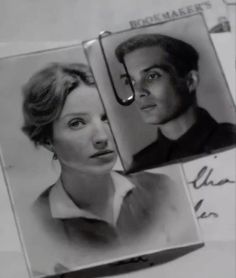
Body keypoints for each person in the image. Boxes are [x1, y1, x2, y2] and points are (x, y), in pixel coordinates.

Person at [21, 62, 199, 276]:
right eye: (77, 123)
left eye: (107, 118)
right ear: (47, 140)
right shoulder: (36, 224)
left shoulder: (162, 190)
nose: (102, 137)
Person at [115, 34, 236, 172]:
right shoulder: (141, 166)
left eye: (152, 76)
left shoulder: (231, 140)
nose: (137, 91)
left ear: (190, 81)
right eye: (130, 82)